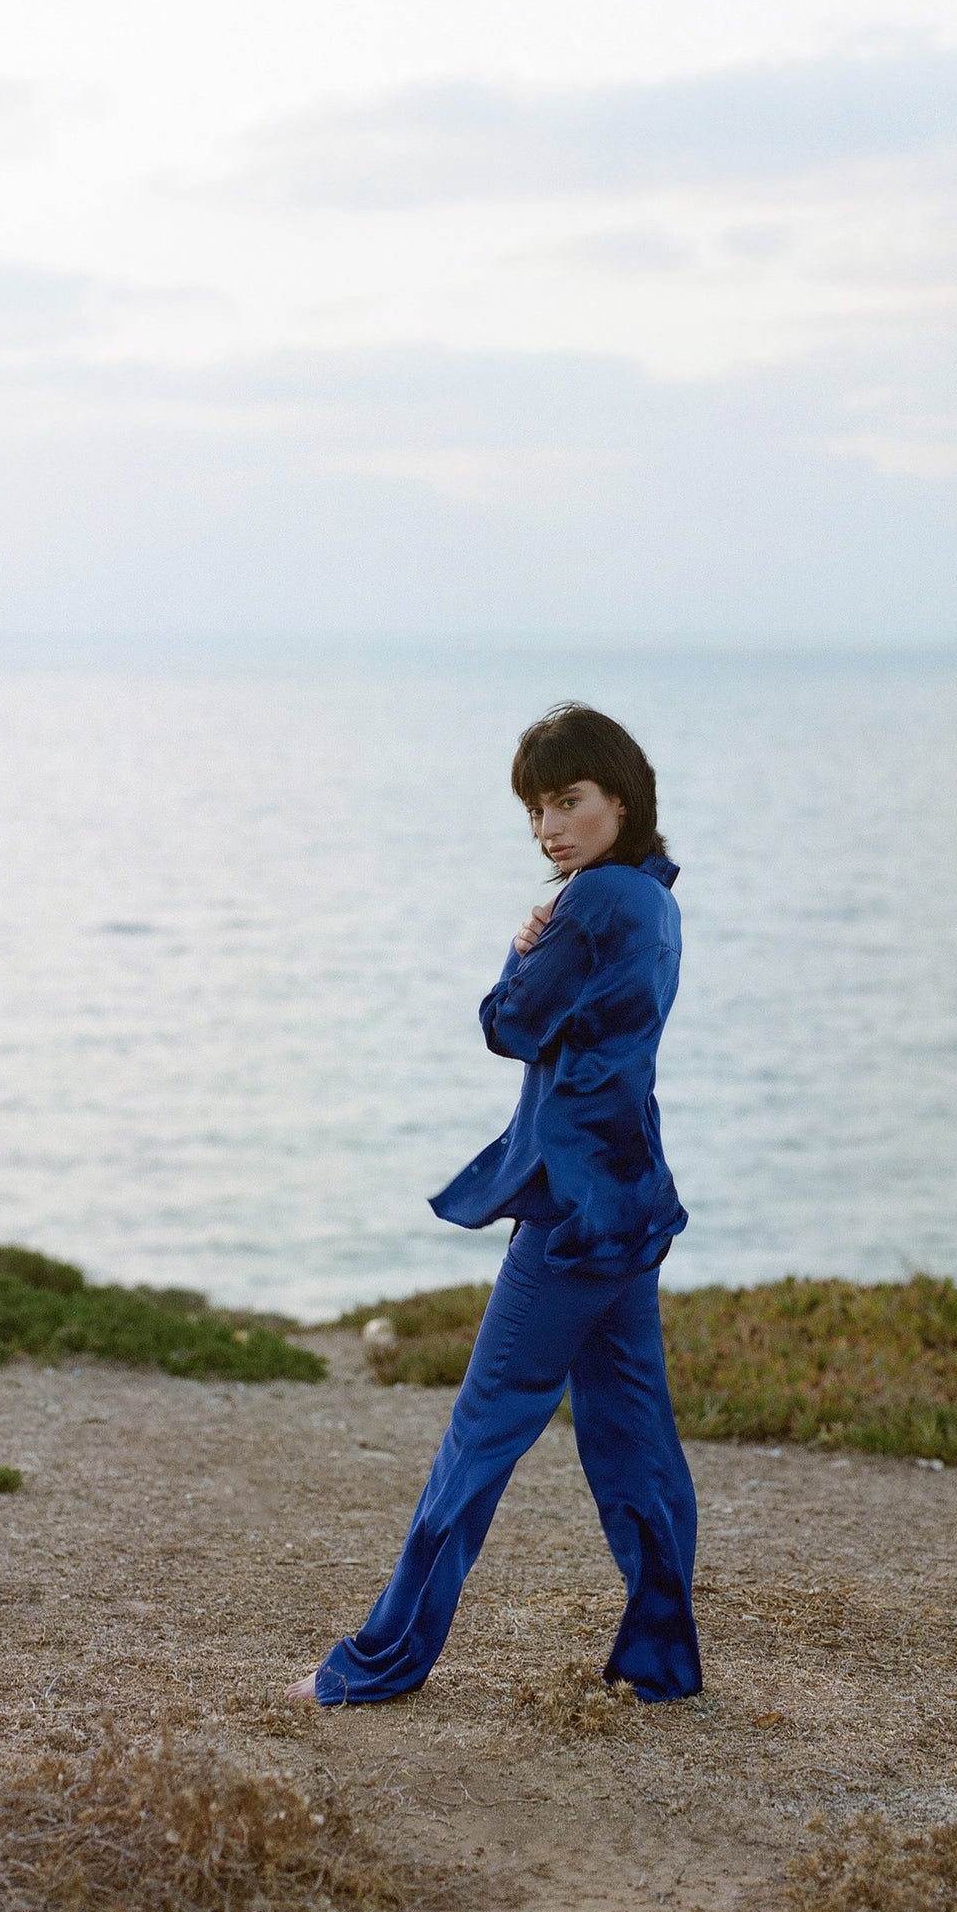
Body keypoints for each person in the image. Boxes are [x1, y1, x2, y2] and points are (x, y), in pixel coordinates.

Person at [286, 702, 701, 1707]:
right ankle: (660, 1664)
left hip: (569, 1214)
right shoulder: (652, 899)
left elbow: (507, 1024)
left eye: (567, 801)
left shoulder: (593, 901)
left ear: (619, 799)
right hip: (631, 1202)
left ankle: (382, 1662)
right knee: (634, 1443)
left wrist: (523, 950)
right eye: (535, 809)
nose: (548, 827)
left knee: (479, 1437)